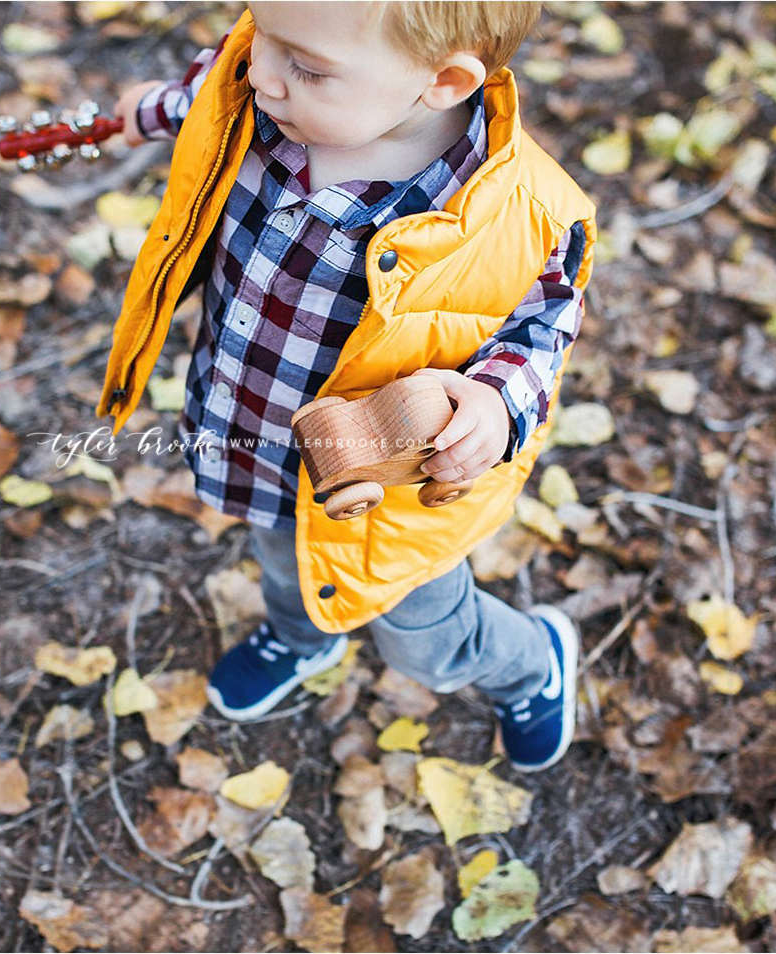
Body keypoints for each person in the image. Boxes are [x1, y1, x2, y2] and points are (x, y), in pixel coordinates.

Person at [99, 1, 598, 772]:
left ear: (443, 80)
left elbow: (542, 329)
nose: (259, 71)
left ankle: (528, 662)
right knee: (276, 550)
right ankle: (302, 638)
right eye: (261, 32)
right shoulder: (261, 93)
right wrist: (151, 109)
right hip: (251, 423)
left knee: (423, 641)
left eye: (304, 65)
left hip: (386, 496)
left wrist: (495, 405)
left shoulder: (519, 216)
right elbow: (209, 92)